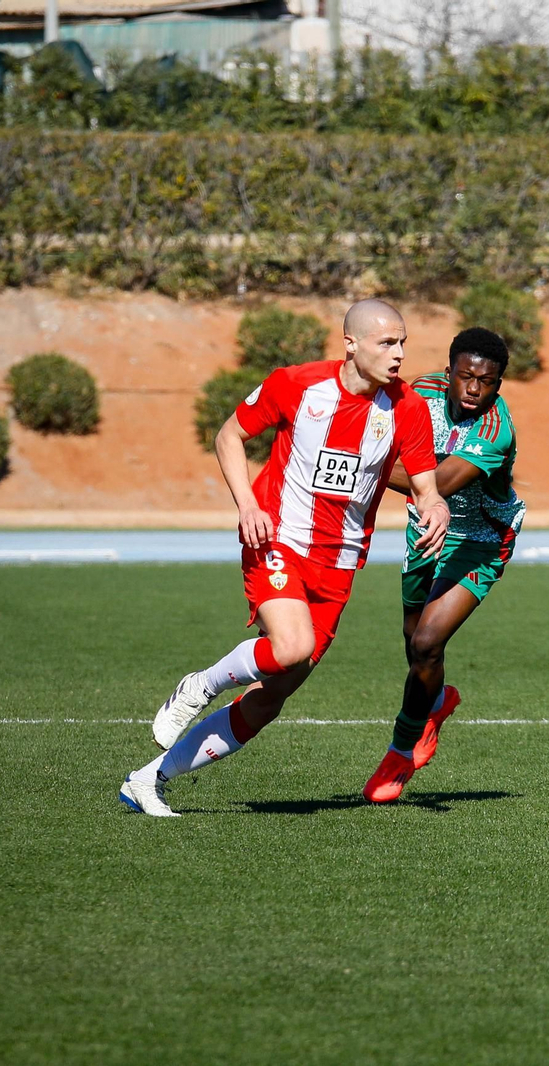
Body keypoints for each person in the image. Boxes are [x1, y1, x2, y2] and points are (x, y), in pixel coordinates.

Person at [119, 299, 451, 817]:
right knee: (292, 646)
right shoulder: (297, 384)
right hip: (277, 540)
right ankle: (200, 685)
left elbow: (426, 487)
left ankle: (147, 781)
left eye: (403, 342)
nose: (399, 353)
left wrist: (435, 506)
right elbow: (229, 435)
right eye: (387, 342)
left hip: (339, 564)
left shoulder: (406, 407)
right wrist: (248, 505)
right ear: (350, 343)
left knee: (272, 695)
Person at [362, 327, 525, 804]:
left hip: (481, 539)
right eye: (466, 376)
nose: (474, 389)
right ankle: (435, 704)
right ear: (449, 370)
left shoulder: (497, 429)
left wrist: (354, 460)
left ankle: (400, 751)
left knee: (430, 641)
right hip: (426, 530)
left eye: (487, 381)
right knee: (414, 644)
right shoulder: (420, 391)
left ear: (499, 383)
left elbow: (437, 483)